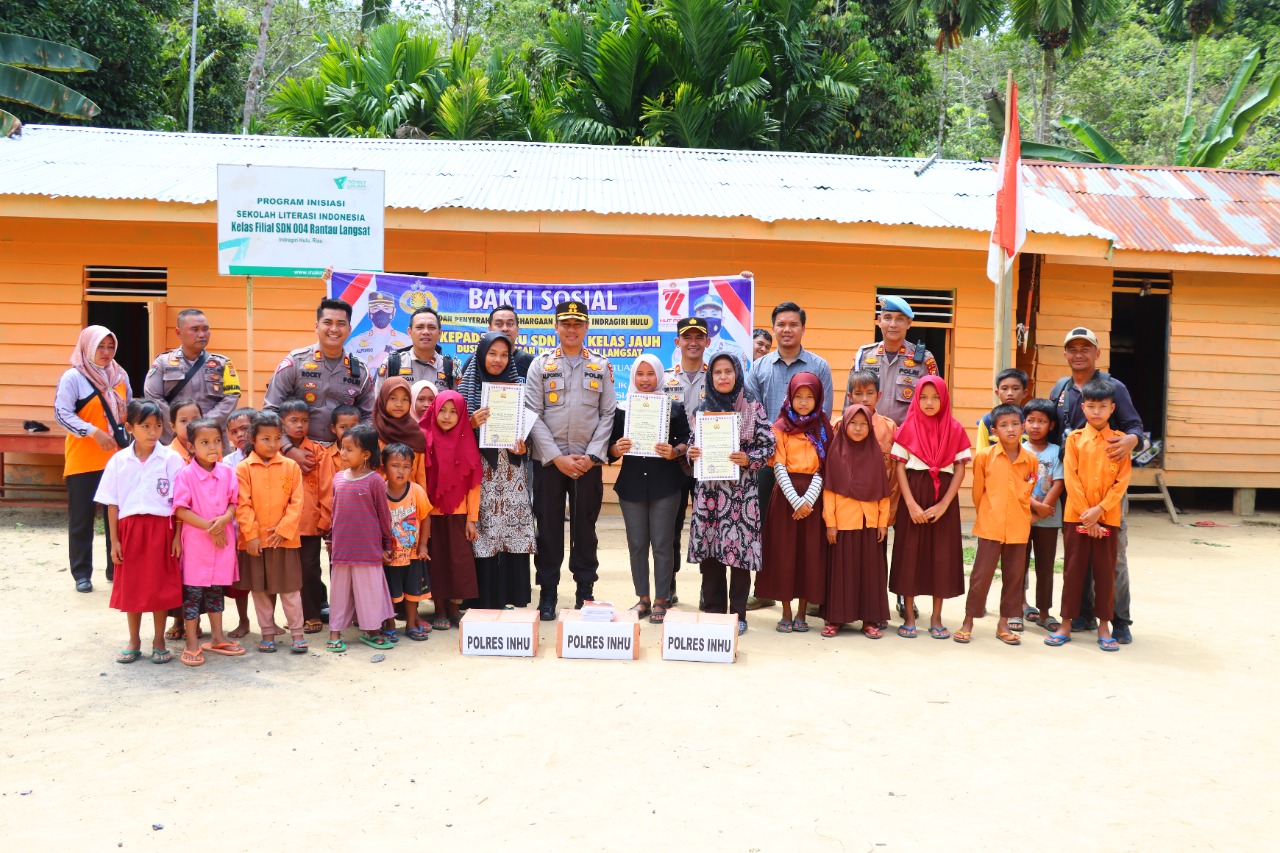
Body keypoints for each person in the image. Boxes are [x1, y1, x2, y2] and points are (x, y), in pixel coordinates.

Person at [1049, 327, 1144, 644]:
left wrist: (1131, 439)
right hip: (1072, 484)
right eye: (1072, 348)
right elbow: (1049, 432)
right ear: (1065, 354)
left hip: (1107, 486)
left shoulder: (1113, 387)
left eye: (1085, 348)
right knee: (1078, 556)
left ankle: (1118, 620)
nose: (1079, 353)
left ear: (1097, 353)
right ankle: (1083, 614)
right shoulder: (1061, 389)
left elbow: (1134, 427)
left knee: (1112, 557)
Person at [523, 301, 617, 619]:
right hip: (550, 464)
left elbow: (607, 415)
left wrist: (591, 457)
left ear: (586, 328)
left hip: (587, 465)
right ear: (557, 328)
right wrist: (557, 458)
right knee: (548, 529)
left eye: (578, 324)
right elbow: (533, 416)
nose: (572, 329)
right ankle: (548, 593)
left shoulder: (601, 367)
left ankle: (584, 591)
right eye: (566, 324)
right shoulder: (541, 366)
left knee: (585, 529)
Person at [746, 301, 833, 608]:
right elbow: (753, 415)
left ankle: (808, 595)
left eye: (793, 324)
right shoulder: (758, 368)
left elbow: (824, 415)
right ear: (773, 329)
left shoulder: (818, 366)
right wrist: (774, 446)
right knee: (769, 528)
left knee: (809, 530)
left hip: (808, 466)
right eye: (781, 324)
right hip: (768, 463)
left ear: (802, 329)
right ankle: (766, 590)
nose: (787, 329)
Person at [686, 353, 776, 635]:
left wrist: (749, 459)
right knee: (712, 553)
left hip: (741, 495)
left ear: (737, 373)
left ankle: (738, 614)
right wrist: (692, 453)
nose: (723, 377)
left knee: (739, 555)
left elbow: (769, 446)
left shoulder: (752, 407)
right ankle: (713, 611)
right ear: (710, 377)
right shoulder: (703, 408)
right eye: (717, 372)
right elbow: (691, 446)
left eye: (728, 371)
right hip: (710, 495)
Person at [93, 399, 184, 664]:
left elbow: (179, 503)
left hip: (162, 529)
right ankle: (134, 640)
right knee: (132, 588)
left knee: (158, 587)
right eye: (145, 426)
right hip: (130, 530)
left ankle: (159, 639)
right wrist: (114, 542)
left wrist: (177, 536)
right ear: (130, 428)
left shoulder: (170, 458)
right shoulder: (119, 461)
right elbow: (112, 504)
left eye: (157, 426)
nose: (153, 432)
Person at [607, 354, 691, 624]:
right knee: (637, 544)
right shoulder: (622, 409)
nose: (645, 380)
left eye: (650, 374)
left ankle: (661, 600)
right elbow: (609, 447)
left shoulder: (674, 408)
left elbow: (686, 443)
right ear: (633, 377)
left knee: (663, 544)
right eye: (640, 374)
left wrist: (674, 452)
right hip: (631, 486)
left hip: (665, 486)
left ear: (660, 376)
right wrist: (615, 449)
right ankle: (642, 598)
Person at [889, 376, 971, 639]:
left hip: (943, 498)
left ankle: (936, 617)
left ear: (944, 398)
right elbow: (900, 467)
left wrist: (945, 504)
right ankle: (910, 616)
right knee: (910, 554)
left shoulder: (955, 429)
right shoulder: (907, 428)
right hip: (913, 493)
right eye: (923, 396)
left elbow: (959, 468)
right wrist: (911, 504)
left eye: (935, 397)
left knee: (941, 557)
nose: (929, 402)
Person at [459, 332, 536, 611]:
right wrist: (469, 423)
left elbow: (527, 435)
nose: (498, 360)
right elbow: (451, 433)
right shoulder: (466, 388)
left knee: (511, 529)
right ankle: (481, 599)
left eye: (504, 354)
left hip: (512, 472)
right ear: (481, 354)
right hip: (479, 472)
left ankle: (511, 596)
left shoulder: (517, 388)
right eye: (492, 353)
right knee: (482, 529)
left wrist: (521, 448)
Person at [54, 325, 131, 592]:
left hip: (117, 460)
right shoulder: (73, 377)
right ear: (87, 347)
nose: (106, 352)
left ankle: (116, 568)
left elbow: (128, 410)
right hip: (84, 458)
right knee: (82, 519)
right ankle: (82, 574)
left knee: (117, 517)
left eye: (110, 347)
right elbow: (62, 413)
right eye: (100, 346)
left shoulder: (120, 375)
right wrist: (93, 431)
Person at [756, 373, 832, 633]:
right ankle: (786, 611)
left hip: (813, 497)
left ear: (818, 398)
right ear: (790, 396)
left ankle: (802, 612)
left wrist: (807, 500)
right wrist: (796, 501)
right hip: (785, 498)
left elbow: (824, 467)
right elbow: (778, 465)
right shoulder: (780, 426)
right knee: (785, 555)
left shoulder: (823, 428)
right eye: (798, 396)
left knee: (809, 555)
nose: (803, 402)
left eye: (809, 397)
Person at [955, 404, 1037, 646]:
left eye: (1015, 424)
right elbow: (978, 493)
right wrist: (988, 515)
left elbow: (1028, 490)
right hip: (990, 525)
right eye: (1004, 425)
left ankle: (1003, 624)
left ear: (1023, 427)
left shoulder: (1030, 460)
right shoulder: (984, 457)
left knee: (1014, 577)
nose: (1010, 429)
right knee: (981, 576)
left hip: (1018, 528)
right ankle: (968, 621)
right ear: (994, 430)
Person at [171, 417, 244, 666]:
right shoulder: (186, 475)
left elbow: (234, 502)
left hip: (222, 543)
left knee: (215, 591)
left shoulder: (227, 472)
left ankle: (217, 638)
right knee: (192, 594)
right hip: (196, 544)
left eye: (216, 441)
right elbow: (180, 509)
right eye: (204, 442)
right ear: (191, 447)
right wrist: (211, 528)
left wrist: (225, 518)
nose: (213, 447)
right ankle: (192, 642)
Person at [264, 297, 375, 459]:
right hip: (298, 453)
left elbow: (369, 416)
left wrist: (354, 448)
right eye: (328, 322)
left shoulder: (360, 370)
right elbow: (271, 410)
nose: (334, 329)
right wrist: (288, 448)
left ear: (350, 329)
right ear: (317, 326)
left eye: (341, 324)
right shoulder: (296, 362)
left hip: (343, 456)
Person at [234, 412, 307, 655]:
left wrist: (284, 529)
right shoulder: (243, 469)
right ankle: (267, 633)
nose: (272, 444)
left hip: (284, 541)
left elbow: (297, 502)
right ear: (253, 438)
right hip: (255, 543)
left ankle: (297, 633)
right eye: (266, 438)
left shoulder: (291, 466)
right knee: (260, 591)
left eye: (277, 438)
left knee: (290, 589)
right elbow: (242, 504)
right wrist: (251, 535)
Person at [820, 405, 891, 639]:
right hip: (843, 524)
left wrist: (882, 523)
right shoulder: (835, 453)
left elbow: (883, 493)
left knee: (869, 574)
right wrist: (830, 522)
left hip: (869, 525)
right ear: (845, 425)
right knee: (842, 573)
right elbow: (829, 491)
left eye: (863, 424)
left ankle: (869, 620)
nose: (858, 428)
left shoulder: (875, 455)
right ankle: (835, 619)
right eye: (853, 423)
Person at [327, 424, 397, 652]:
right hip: (342, 549)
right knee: (339, 592)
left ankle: (373, 630)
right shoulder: (338, 479)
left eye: (349, 449)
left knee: (369, 592)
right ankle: (334, 632)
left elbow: (383, 516)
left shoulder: (375, 481)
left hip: (368, 550)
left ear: (366, 454)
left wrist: (387, 543)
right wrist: (330, 540)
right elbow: (334, 513)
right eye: (342, 448)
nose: (343, 454)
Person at [421, 390, 483, 628]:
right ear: (433, 411)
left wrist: (472, 518)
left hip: (458, 514)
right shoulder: (425, 438)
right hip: (431, 514)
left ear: (462, 415)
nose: (447, 417)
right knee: (435, 562)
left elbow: (473, 484)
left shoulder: (467, 441)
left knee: (459, 561)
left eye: (453, 412)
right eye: (442, 411)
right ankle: (439, 609)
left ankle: (454, 607)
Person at [662, 316, 711, 607]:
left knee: (707, 526)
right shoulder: (665, 379)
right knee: (670, 526)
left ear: (707, 342)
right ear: (677, 342)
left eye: (698, 337)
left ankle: (709, 588)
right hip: (673, 464)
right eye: (687, 337)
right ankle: (668, 585)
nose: (693, 342)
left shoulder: (717, 377)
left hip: (708, 465)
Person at [278, 399, 334, 635]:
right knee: (289, 573)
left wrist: (325, 519)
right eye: (293, 421)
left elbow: (328, 488)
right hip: (282, 525)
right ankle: (295, 617)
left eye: (304, 420)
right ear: (282, 424)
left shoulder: (319, 452)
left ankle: (312, 615)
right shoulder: (276, 452)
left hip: (310, 524)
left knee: (310, 570)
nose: (300, 425)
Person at [143, 309, 241, 442]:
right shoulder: (162, 362)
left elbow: (231, 398)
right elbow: (153, 396)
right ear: (178, 332)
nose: (202, 334)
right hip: (174, 440)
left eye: (205, 329)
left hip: (211, 440)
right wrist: (180, 422)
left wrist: (203, 423)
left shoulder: (223, 363)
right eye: (195, 329)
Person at [847, 295, 939, 427]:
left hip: (907, 440)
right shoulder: (863, 357)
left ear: (909, 323)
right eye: (888, 318)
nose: (893, 324)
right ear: (879, 321)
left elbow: (935, 403)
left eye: (900, 319)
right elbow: (849, 404)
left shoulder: (924, 360)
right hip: (869, 437)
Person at [380, 443, 432, 641]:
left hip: (412, 554)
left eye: (406, 466)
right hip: (390, 556)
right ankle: (390, 623)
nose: (401, 471)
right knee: (390, 592)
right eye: (395, 465)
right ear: (384, 466)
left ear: (412, 468)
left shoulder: (416, 491)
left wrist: (423, 545)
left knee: (413, 593)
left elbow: (426, 516)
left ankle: (411, 623)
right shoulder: (378, 491)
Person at [1022, 398, 1064, 633]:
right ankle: (1018, 607)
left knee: (1046, 566)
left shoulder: (1057, 452)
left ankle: (1045, 612)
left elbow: (1058, 483)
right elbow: (1015, 484)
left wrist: (1041, 511)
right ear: (1024, 423)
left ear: (1052, 425)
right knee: (1019, 564)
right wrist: (1035, 507)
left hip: (1048, 518)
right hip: (1022, 515)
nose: (1036, 426)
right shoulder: (1018, 450)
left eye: (1042, 421)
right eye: (1031, 420)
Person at [162, 398, 202, 639]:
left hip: (201, 525)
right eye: (183, 421)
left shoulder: (208, 450)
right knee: (177, 573)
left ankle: (195, 622)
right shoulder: (169, 455)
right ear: (172, 426)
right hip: (175, 524)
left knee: (198, 576)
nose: (189, 426)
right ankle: (179, 619)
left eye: (195, 420)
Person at [220, 407, 256, 638]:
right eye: (234, 432)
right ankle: (243, 621)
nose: (240, 435)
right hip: (236, 532)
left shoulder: (267, 456)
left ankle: (269, 621)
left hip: (262, 530)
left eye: (244, 428)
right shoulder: (226, 463)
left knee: (265, 580)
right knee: (240, 583)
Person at [377, 306, 460, 394]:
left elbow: (458, 404)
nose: (426, 332)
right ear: (409, 332)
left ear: (439, 333)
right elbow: (379, 404)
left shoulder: (450, 368)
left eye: (431, 327)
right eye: (419, 327)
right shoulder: (392, 364)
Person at [374, 376, 429, 493]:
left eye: (405, 399)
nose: (399, 404)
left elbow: (420, 474)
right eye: (393, 398)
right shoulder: (374, 434)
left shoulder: (416, 434)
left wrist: (422, 502)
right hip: (380, 500)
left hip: (410, 502)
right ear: (383, 399)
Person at [467, 304, 536, 379]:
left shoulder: (530, 362)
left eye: (510, 324)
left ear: (517, 330)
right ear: (489, 330)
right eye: (499, 324)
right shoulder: (475, 361)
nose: (505, 329)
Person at [350, 290, 409, 375]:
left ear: (393, 312)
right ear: (369, 312)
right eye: (375, 308)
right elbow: (347, 374)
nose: (381, 312)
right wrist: (370, 365)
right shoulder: (355, 342)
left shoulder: (406, 341)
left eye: (386, 308)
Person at [693, 292, 749, 372]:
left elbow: (743, 381)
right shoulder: (686, 350)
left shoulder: (735, 350)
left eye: (714, 314)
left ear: (722, 320)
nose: (708, 318)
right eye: (703, 315)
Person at [974, 369, 1029, 448]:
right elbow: (981, 452)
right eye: (1004, 389)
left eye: (1015, 388)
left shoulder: (1030, 419)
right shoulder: (987, 420)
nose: (1010, 393)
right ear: (997, 393)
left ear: (1024, 393)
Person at [325, 404, 361, 475]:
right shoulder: (326, 454)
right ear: (333, 428)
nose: (349, 431)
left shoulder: (364, 453)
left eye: (354, 427)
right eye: (343, 427)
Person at [165, 398, 201, 464]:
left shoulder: (211, 449)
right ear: (173, 427)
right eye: (183, 421)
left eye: (195, 419)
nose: (190, 424)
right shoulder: (166, 455)